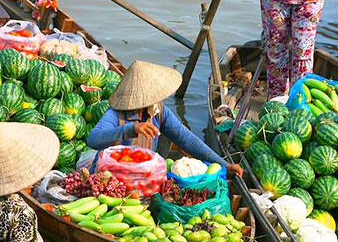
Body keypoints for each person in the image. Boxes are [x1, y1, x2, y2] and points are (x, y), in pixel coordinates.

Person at [87, 60, 243, 176]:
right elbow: (93, 139)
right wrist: (131, 129)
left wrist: (223, 164)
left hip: (141, 177)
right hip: (109, 177)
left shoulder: (159, 111)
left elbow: (186, 139)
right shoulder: (116, 114)